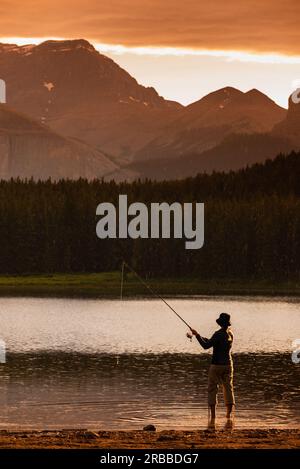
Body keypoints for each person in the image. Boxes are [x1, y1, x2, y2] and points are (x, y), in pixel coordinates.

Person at [191, 313, 235, 425]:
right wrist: (199, 335)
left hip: (216, 365)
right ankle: (228, 415)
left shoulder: (218, 334)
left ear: (220, 323)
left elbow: (206, 346)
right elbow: (212, 342)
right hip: (228, 364)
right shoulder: (230, 334)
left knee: (212, 388)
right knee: (228, 388)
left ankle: (213, 416)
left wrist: (197, 336)